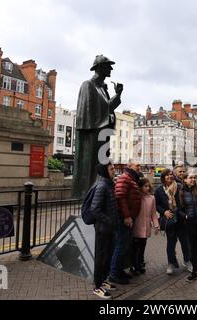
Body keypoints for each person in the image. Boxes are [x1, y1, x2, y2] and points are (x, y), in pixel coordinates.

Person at [72, 54, 123, 200]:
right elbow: (86, 113)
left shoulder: (102, 89)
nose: (111, 68)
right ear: (99, 67)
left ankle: (98, 195)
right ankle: (87, 197)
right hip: (92, 134)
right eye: (108, 65)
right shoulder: (88, 85)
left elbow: (106, 108)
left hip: (103, 133)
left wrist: (117, 95)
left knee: (101, 165)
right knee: (91, 166)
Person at [109, 160, 142, 285]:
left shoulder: (131, 178)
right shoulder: (125, 178)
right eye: (137, 165)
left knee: (124, 246)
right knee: (120, 246)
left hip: (128, 219)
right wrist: (127, 216)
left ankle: (119, 270)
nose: (139, 167)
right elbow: (120, 197)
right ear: (129, 166)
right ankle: (114, 274)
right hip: (123, 219)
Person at [155, 168, 192, 275]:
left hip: (180, 219)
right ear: (163, 177)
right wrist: (164, 211)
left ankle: (187, 261)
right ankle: (170, 263)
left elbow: (185, 201)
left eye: (171, 174)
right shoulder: (159, 190)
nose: (169, 176)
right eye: (167, 175)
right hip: (169, 219)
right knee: (170, 243)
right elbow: (156, 205)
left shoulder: (179, 187)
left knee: (185, 242)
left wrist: (184, 214)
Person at [91, 162, 118, 299]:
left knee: (107, 256)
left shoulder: (109, 184)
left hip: (109, 228)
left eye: (113, 168)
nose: (114, 170)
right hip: (103, 229)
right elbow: (95, 209)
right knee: (101, 258)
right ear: (104, 171)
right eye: (111, 168)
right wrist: (109, 220)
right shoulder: (102, 186)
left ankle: (103, 281)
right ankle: (97, 286)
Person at [131, 178, 159, 275]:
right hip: (136, 225)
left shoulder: (152, 198)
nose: (147, 188)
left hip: (146, 226)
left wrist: (156, 225)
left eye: (148, 186)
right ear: (140, 187)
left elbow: (153, 213)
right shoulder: (136, 197)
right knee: (135, 247)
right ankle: (135, 265)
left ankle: (140, 263)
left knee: (142, 246)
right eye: (145, 186)